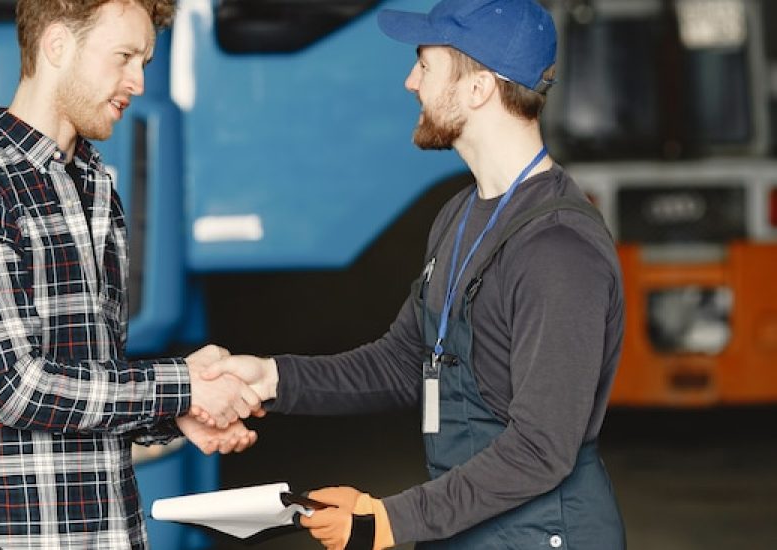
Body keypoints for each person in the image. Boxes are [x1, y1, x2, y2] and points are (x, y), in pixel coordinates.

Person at [198, 0, 627, 548]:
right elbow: (405, 361)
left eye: (425, 65)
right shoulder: (460, 215)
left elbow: (542, 449)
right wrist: (273, 379)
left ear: (479, 88)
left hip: (546, 535)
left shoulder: (558, 251)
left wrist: (390, 519)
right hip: (469, 527)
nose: (410, 82)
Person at [0, 1, 261, 548]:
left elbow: (89, 381)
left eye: (143, 62)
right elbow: (20, 389)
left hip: (109, 531)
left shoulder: (95, 187)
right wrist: (183, 387)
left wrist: (175, 414)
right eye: (123, 57)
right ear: (57, 45)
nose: (138, 82)